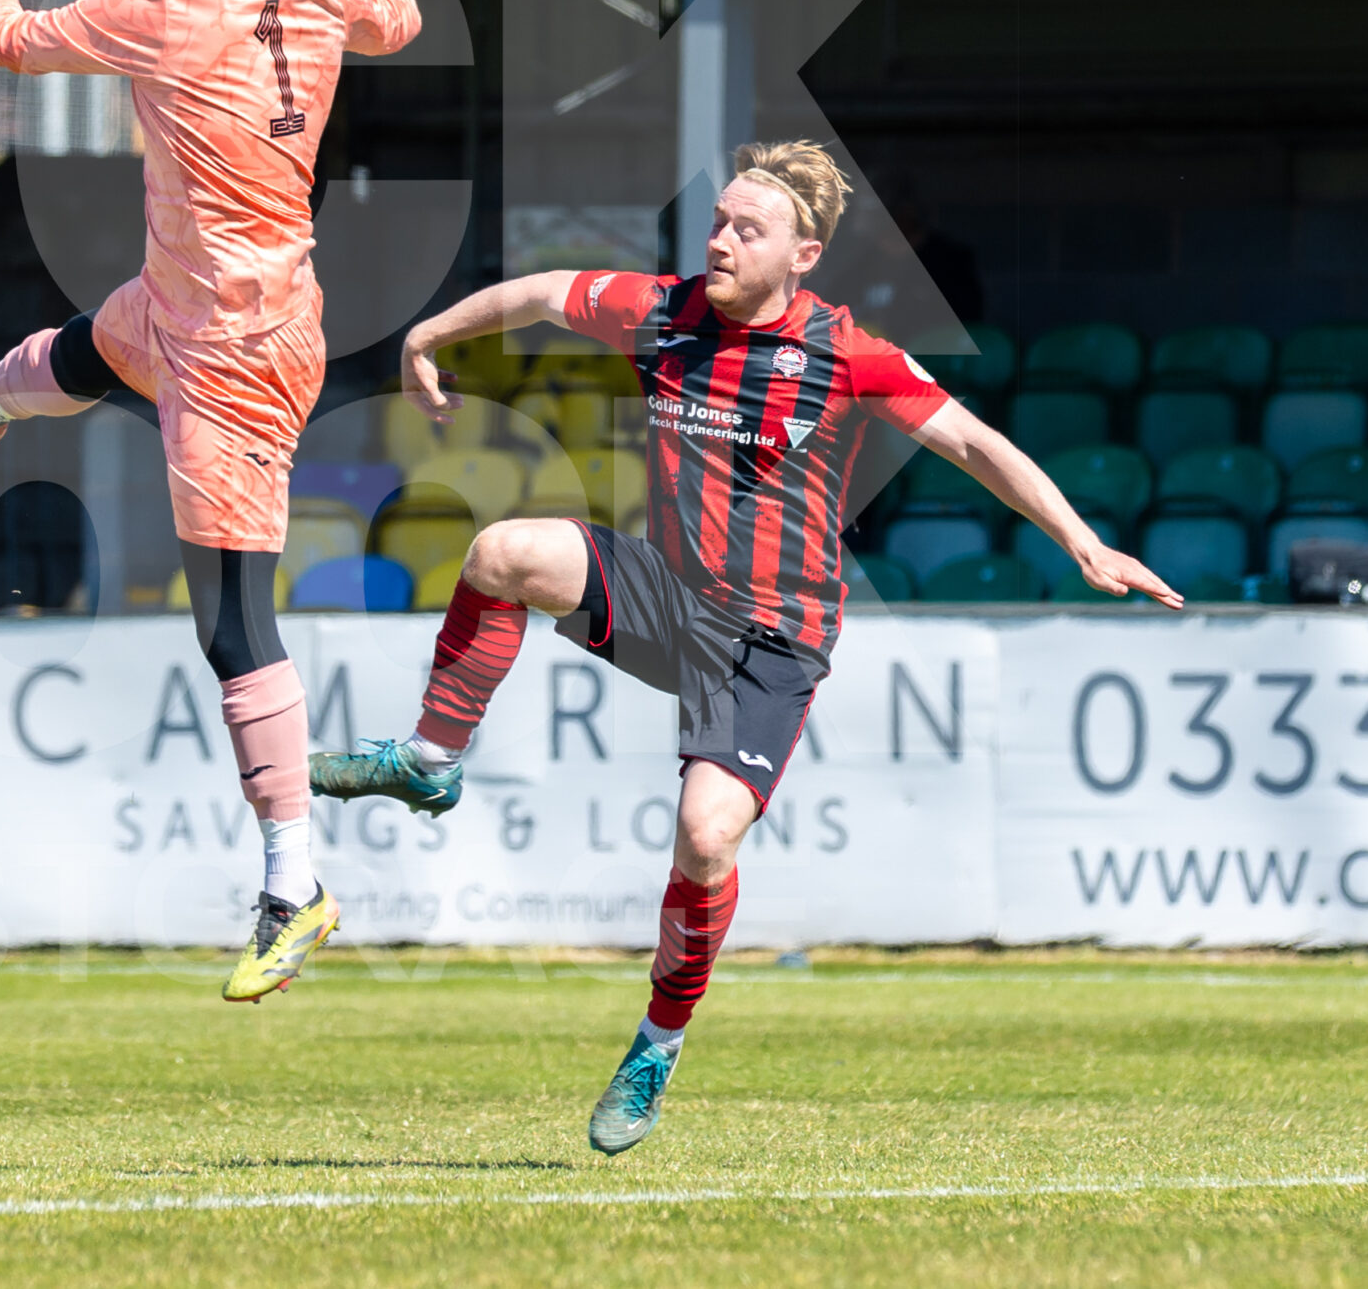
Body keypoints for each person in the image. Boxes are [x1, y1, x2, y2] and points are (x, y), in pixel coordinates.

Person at [312, 141, 1179, 1152]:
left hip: (771, 640)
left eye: (746, 229)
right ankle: (430, 759)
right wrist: (428, 334)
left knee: (704, 838)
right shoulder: (662, 311)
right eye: (718, 220)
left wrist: (1082, 542)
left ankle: (657, 1041)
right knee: (502, 552)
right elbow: (545, 293)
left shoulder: (848, 354)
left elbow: (974, 443)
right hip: (668, 594)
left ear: (802, 256)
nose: (719, 240)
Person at [0, 0, 420, 1002]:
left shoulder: (160, 6)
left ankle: (294, 884)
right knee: (95, 345)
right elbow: (398, 16)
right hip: (202, 299)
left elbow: (2, 41)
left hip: (232, 350)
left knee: (231, 625)